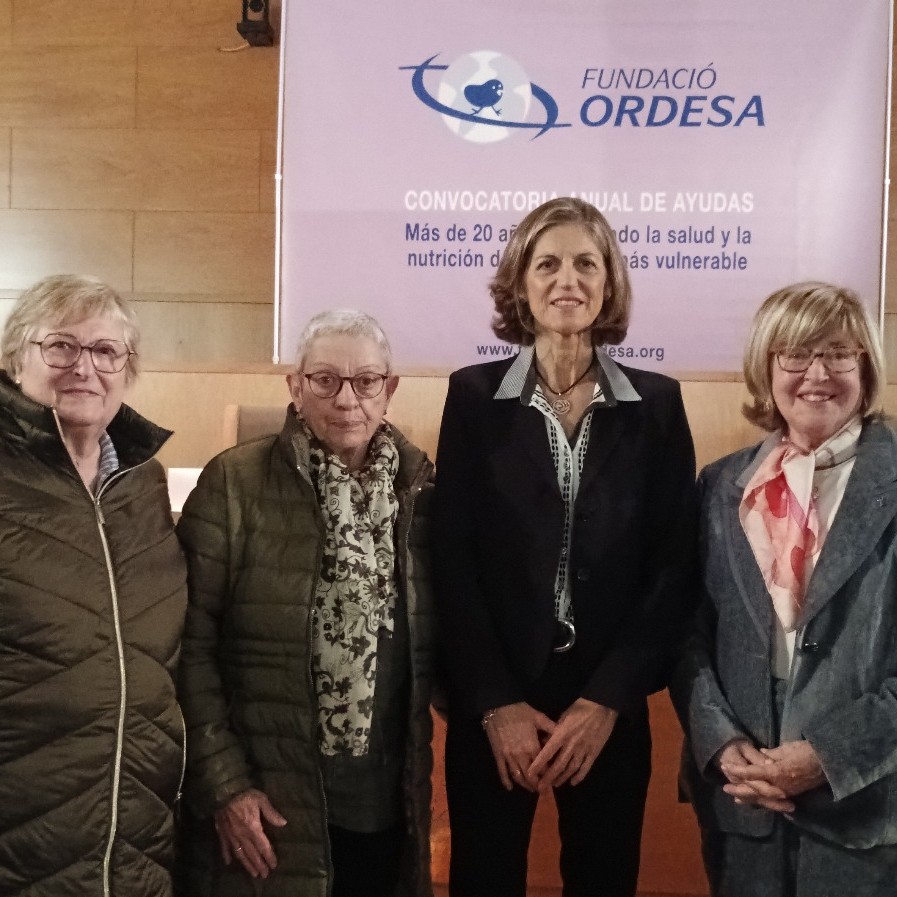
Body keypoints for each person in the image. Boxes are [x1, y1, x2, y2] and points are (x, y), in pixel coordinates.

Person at [432, 197, 697, 897]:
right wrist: (494, 702)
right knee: (483, 880)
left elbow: (673, 567)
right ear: (520, 284)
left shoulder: (656, 405)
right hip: (498, 697)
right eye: (547, 264)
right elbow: (452, 559)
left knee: (603, 879)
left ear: (609, 282)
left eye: (586, 263)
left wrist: (607, 700)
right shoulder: (472, 397)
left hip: (605, 700)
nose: (567, 280)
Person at [176, 309, 436, 897]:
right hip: (269, 804)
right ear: (295, 386)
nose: (347, 399)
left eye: (366, 381)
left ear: (390, 388)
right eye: (325, 380)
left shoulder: (420, 492)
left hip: (385, 803)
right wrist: (225, 785)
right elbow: (188, 647)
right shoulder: (234, 484)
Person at [671, 282, 897, 896]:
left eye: (838, 353)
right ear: (765, 367)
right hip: (744, 810)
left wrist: (828, 755)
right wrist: (720, 744)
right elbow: (687, 634)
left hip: (868, 814)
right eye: (795, 355)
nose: (816, 374)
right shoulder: (721, 487)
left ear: (865, 367)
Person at [0, 274, 187, 896]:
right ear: (16, 359)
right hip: (21, 842)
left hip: (135, 836)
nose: (85, 367)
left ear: (127, 370)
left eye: (106, 351)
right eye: (61, 346)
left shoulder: (144, 484)